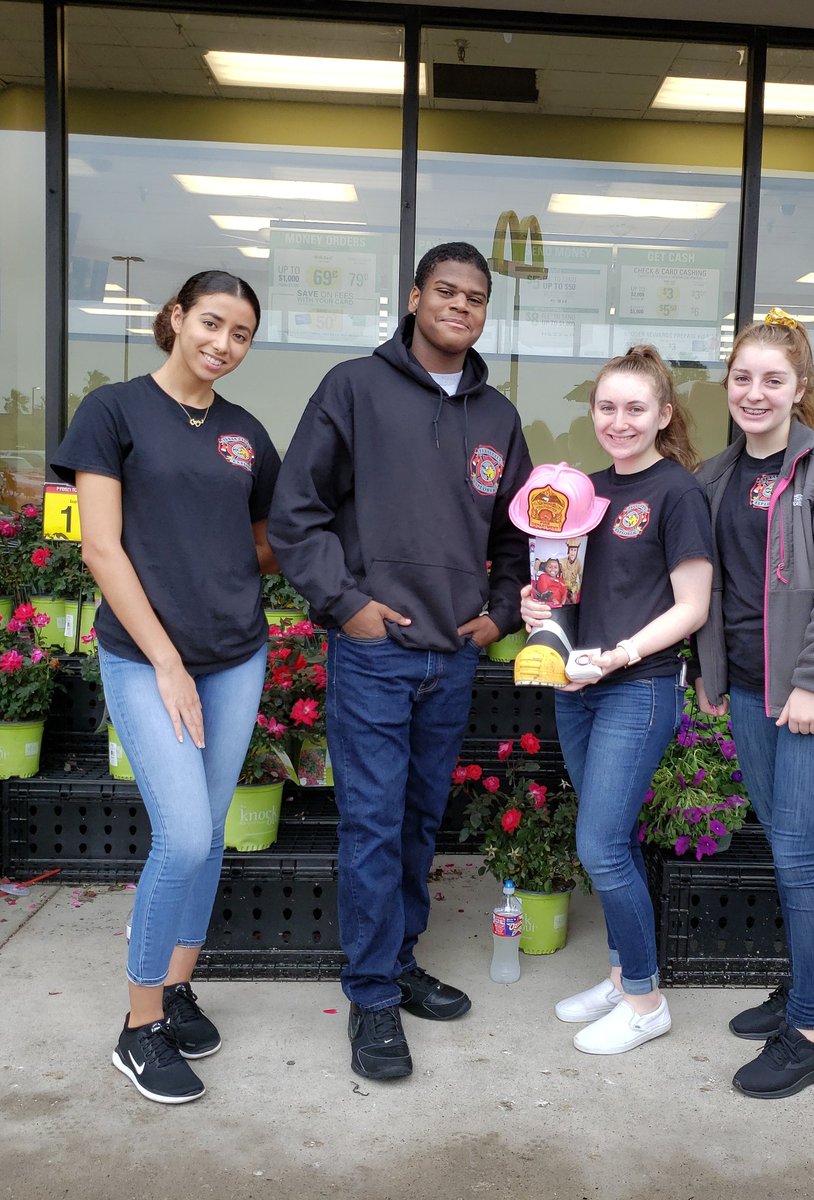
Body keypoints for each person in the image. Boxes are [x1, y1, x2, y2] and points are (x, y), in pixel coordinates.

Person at [268, 242, 532, 1082]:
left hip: (453, 657)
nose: (461, 306)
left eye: (477, 297)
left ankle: (400, 959)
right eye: (446, 291)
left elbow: (518, 537)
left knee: (420, 821)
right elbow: (294, 516)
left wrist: (495, 619)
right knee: (373, 824)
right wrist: (349, 608)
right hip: (376, 654)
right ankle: (373, 995)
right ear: (415, 297)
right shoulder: (354, 388)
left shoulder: (498, 417)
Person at [51, 270, 281, 1105]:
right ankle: (138, 1026)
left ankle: (178, 988)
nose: (224, 344)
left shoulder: (246, 434)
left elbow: (266, 538)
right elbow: (101, 549)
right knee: (181, 836)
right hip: (148, 660)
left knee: (211, 832)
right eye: (212, 323)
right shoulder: (112, 412)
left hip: (237, 653)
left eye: (242, 334)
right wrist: (168, 660)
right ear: (177, 318)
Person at [691, 308, 814, 1100]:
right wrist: (708, 678)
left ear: (800, 389)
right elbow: (715, 592)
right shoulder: (715, 475)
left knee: (804, 857)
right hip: (746, 690)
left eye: (773, 379)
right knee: (784, 846)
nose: (755, 392)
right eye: (743, 377)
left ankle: (811, 1032)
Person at [520, 345, 713, 1056]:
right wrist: (538, 610)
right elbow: (565, 590)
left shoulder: (678, 493)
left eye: (637, 408)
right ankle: (623, 971)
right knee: (616, 840)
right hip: (578, 688)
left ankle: (645, 1001)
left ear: (664, 414)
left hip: (640, 686)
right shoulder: (581, 491)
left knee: (600, 844)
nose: (620, 420)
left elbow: (691, 607)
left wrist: (624, 654)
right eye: (608, 406)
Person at [561, 538, 583, 603]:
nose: (573, 553)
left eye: (575, 550)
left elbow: (581, 577)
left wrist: (576, 590)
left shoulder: (578, 563)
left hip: (572, 587)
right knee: (563, 599)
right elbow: (553, 562)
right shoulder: (563, 561)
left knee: (574, 599)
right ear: (568, 550)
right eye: (571, 550)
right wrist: (539, 561)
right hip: (563, 585)